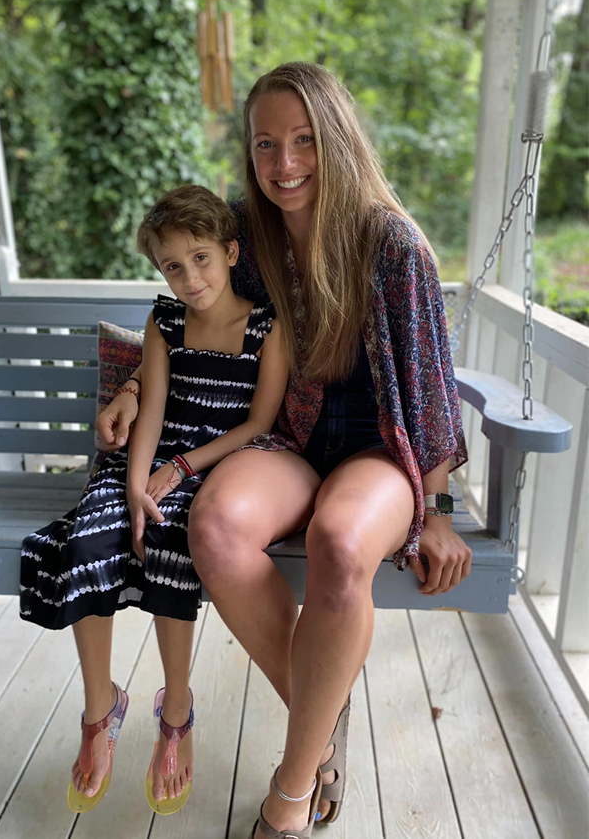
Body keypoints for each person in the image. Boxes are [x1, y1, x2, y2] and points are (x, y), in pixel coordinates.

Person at [97, 63, 470, 839]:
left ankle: (292, 790)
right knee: (214, 525)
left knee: (339, 542)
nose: (286, 163)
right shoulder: (244, 231)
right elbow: (191, 313)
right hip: (289, 436)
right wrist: (134, 388)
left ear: (335, 139)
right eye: (267, 144)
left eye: (303, 141)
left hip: (379, 445)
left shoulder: (391, 242)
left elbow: (431, 383)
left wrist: (435, 509)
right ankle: (321, 726)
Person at [19, 185, 287, 817]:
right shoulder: (163, 321)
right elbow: (153, 410)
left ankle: (176, 709)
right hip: (146, 456)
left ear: (229, 252)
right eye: (173, 265)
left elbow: (259, 422)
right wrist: (137, 486)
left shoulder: (265, 325)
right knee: (87, 539)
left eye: (201, 259)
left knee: (171, 541)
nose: (190, 278)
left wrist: (180, 469)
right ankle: (98, 710)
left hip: (213, 461)